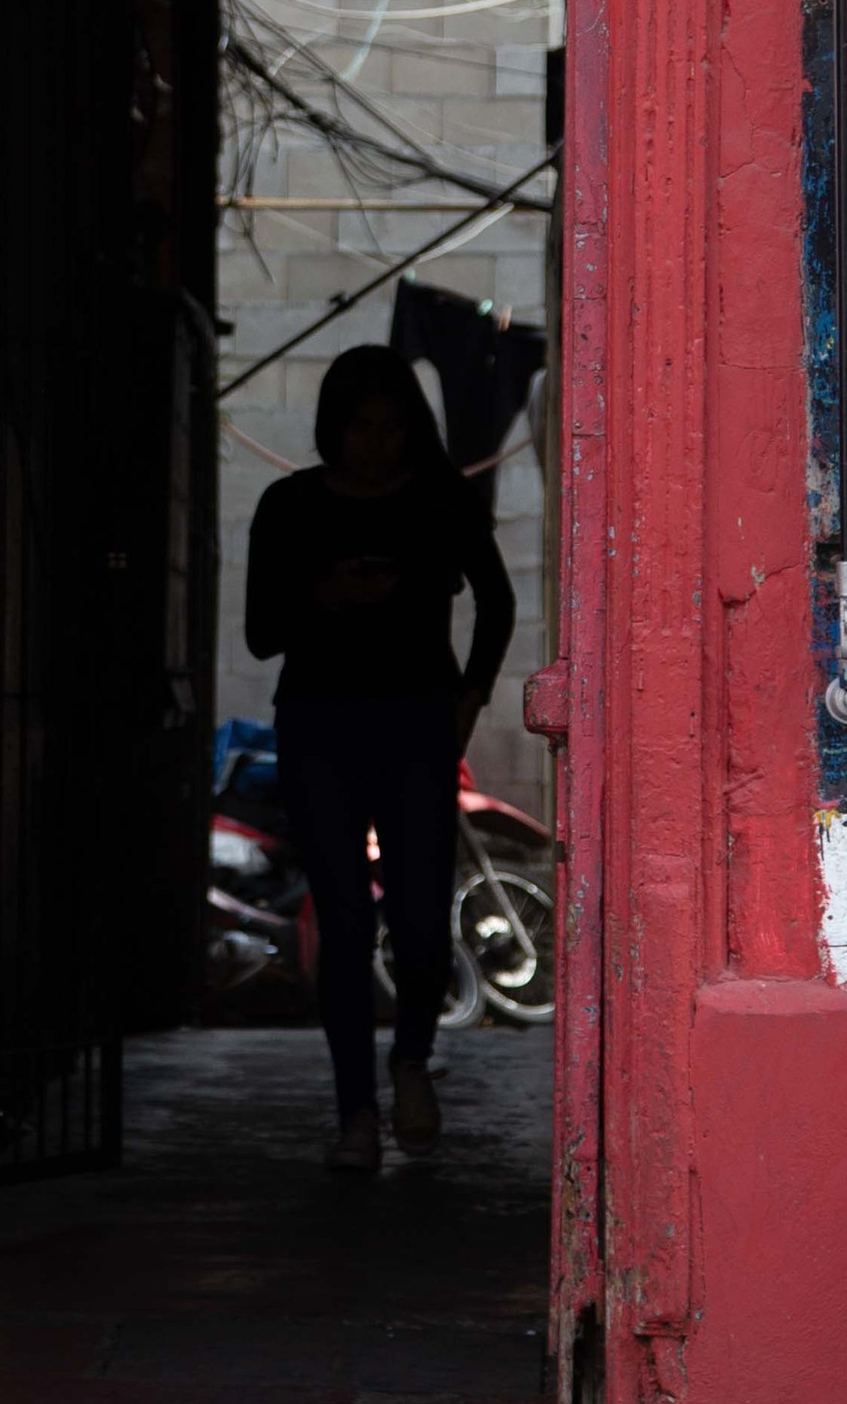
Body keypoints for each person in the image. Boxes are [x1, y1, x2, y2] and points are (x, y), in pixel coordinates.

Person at [246, 343, 515, 1173]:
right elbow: (261, 633)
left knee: (422, 916)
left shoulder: (442, 502)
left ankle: (411, 1061)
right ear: (333, 427)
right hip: (320, 729)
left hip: (418, 729)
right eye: (361, 427)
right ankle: (355, 1115)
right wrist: (323, 599)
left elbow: (497, 603)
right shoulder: (289, 505)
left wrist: (471, 695)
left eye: (393, 428)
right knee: (345, 922)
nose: (376, 444)